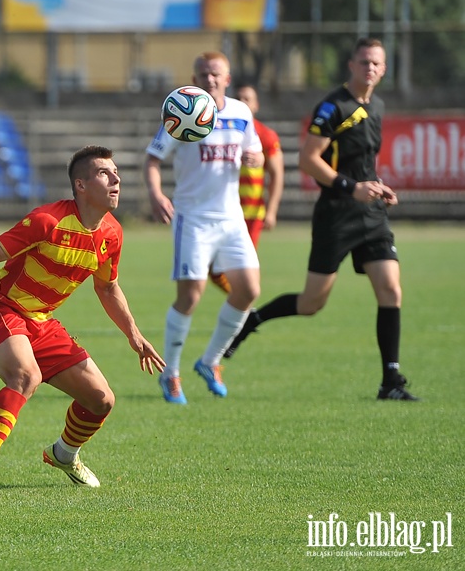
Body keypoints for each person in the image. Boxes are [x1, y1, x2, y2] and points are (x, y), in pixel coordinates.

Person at [0, 145, 165, 500]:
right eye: (104, 174)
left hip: (41, 322)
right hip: (0, 308)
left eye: (116, 174)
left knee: (101, 400)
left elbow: (107, 287)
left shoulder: (112, 233)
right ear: (80, 185)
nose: (116, 179)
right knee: (25, 377)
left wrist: (134, 334)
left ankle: (63, 454)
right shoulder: (47, 221)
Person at [224, 38, 417, 401]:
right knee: (312, 303)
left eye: (376, 63)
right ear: (351, 65)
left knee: (391, 288)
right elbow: (310, 160)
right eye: (363, 62)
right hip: (336, 215)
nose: (370, 68)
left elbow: (364, 164)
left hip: (372, 214)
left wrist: (377, 188)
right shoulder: (333, 106)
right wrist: (351, 187)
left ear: (384, 68)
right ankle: (251, 321)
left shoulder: (376, 105)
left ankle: (390, 381)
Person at [144, 51, 264, 405]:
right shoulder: (184, 109)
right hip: (192, 218)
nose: (209, 80)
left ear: (227, 78)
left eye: (216, 74)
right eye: (203, 74)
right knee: (191, 295)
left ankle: (210, 362)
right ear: (194, 79)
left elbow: (254, 151)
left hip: (231, 217)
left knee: (248, 290)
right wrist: (155, 194)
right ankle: (171, 373)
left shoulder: (242, 113)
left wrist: (254, 158)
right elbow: (153, 158)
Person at [235, 82, 285, 249]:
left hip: (251, 212)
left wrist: (271, 211)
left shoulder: (266, 135)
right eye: (238, 98)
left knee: (243, 267)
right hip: (224, 209)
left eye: (247, 99)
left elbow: (277, 173)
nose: (242, 102)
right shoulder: (222, 130)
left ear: (255, 105)